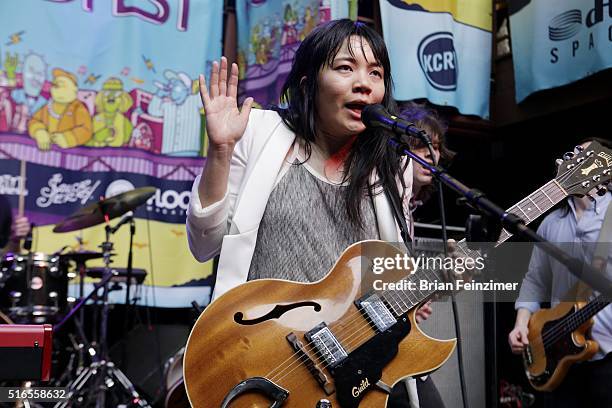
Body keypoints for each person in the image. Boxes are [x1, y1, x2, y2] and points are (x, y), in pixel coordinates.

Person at [187, 19, 438, 408]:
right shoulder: (258, 132)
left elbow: (388, 272)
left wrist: (422, 286)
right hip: (270, 355)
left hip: (360, 364)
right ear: (308, 84)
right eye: (345, 67)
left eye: (376, 73)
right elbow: (203, 244)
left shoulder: (386, 168)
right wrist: (219, 150)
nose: (364, 82)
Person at [508, 138, 612, 407]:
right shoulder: (550, 223)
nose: (575, 156)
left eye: (585, 154)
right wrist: (521, 323)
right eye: (574, 152)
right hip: (560, 354)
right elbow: (535, 280)